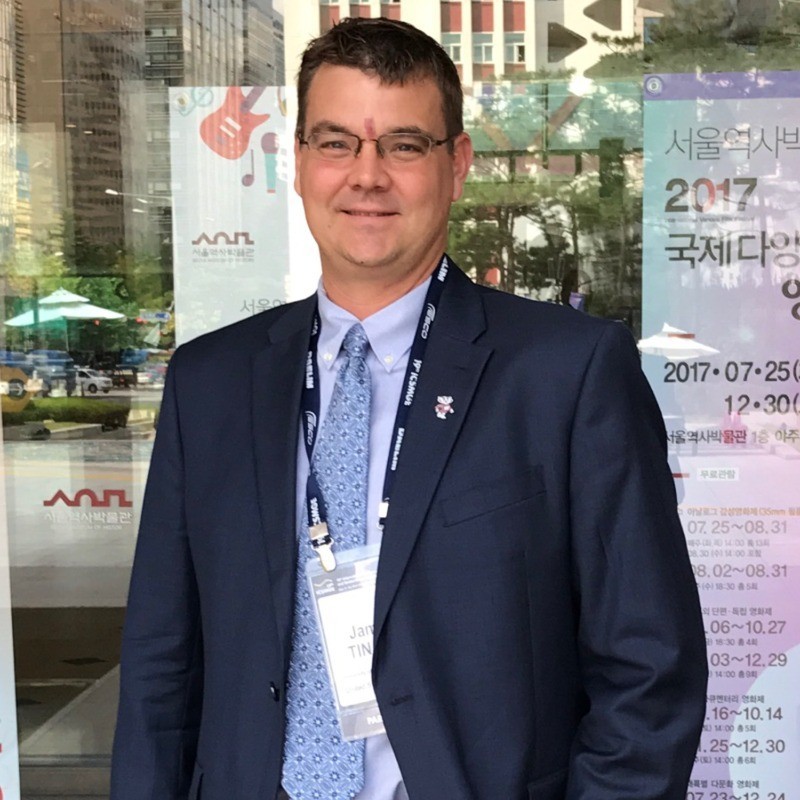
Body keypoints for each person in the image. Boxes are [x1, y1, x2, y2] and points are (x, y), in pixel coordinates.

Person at [111, 17, 707, 800]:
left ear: (455, 165)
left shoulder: (566, 373)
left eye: (402, 144)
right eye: (335, 143)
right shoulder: (210, 382)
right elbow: (162, 665)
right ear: (297, 164)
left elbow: (648, 669)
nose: (367, 176)